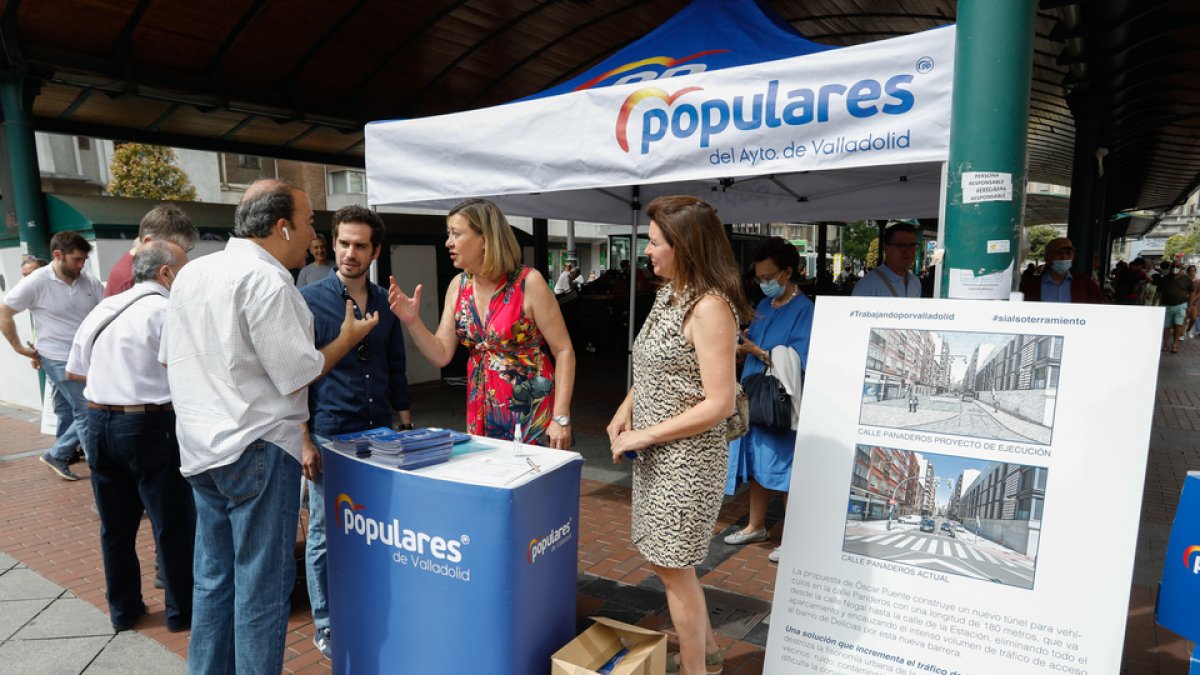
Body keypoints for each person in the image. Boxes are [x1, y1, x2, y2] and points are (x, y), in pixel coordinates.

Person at [162, 179, 378, 675]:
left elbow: (170, 361)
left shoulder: (193, 275)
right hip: (256, 447)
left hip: (200, 450)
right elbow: (297, 372)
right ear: (282, 227)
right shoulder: (268, 281)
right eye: (308, 224)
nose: (312, 236)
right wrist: (346, 338)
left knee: (214, 581)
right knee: (261, 588)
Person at [606, 195, 752, 675]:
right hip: (659, 454)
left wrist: (645, 436)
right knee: (671, 565)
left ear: (685, 246)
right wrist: (625, 410)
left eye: (654, 242)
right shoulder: (670, 294)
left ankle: (695, 668)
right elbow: (653, 371)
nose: (647, 251)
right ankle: (707, 652)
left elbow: (719, 402)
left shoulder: (710, 307)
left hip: (686, 461)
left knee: (673, 570)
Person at [299, 205, 413, 659]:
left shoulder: (386, 303)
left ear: (375, 250)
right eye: (343, 243)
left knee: (376, 528)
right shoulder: (310, 301)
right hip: (330, 432)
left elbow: (397, 368)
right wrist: (304, 439)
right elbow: (297, 378)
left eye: (360, 245)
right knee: (326, 534)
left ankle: (367, 609)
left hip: (379, 434)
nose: (349, 252)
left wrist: (405, 427)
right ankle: (326, 624)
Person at [66, 241, 195, 633]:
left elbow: (75, 371)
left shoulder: (104, 308)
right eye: (183, 269)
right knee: (171, 522)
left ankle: (123, 610)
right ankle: (180, 612)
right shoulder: (168, 311)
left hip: (99, 421)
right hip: (150, 424)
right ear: (166, 273)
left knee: (115, 526)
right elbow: (188, 373)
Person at [388, 199, 575, 447]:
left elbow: (564, 351)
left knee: (533, 482)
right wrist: (412, 321)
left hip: (532, 412)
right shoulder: (459, 286)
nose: (448, 242)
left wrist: (561, 418)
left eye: (456, 234)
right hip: (484, 412)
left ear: (485, 238)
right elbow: (441, 354)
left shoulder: (528, 282)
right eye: (448, 234)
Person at [723, 237, 812, 565]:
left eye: (768, 277)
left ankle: (794, 539)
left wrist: (757, 351)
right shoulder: (763, 306)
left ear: (788, 272)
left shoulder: (805, 310)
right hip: (754, 395)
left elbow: (801, 359)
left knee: (785, 468)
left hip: (780, 402)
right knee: (760, 464)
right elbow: (755, 343)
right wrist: (742, 344)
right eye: (759, 278)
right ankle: (755, 525)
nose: (763, 283)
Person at [1, 231, 103, 480]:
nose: (81, 265)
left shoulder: (88, 280)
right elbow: (4, 313)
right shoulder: (36, 281)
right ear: (58, 255)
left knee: (77, 409)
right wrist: (19, 348)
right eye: (76, 259)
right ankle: (99, 474)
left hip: (84, 357)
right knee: (87, 410)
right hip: (56, 356)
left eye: (83, 260)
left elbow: (105, 309)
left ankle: (57, 453)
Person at [104, 203, 198, 298]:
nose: (182, 258)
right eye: (177, 250)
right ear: (149, 243)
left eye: (185, 251)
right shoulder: (129, 280)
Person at [1018, 237, 1104, 303]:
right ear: (1047, 257)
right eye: (1058, 253)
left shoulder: (1084, 283)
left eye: (1068, 253)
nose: (1064, 257)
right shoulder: (1031, 286)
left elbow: (1099, 307)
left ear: (1073, 256)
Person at [852, 223, 922, 297]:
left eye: (912, 245)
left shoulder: (915, 282)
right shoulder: (867, 285)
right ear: (886, 247)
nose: (908, 251)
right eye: (902, 246)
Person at [1157, 261, 1192, 353]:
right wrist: (1157, 304)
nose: (1175, 269)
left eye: (1177, 267)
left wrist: (1190, 304)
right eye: (1173, 267)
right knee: (1166, 326)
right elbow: (1159, 292)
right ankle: (1165, 344)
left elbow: (1191, 292)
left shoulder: (1187, 279)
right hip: (1166, 305)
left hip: (1181, 305)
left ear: (1181, 268)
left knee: (1178, 325)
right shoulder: (1165, 278)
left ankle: (1175, 345)